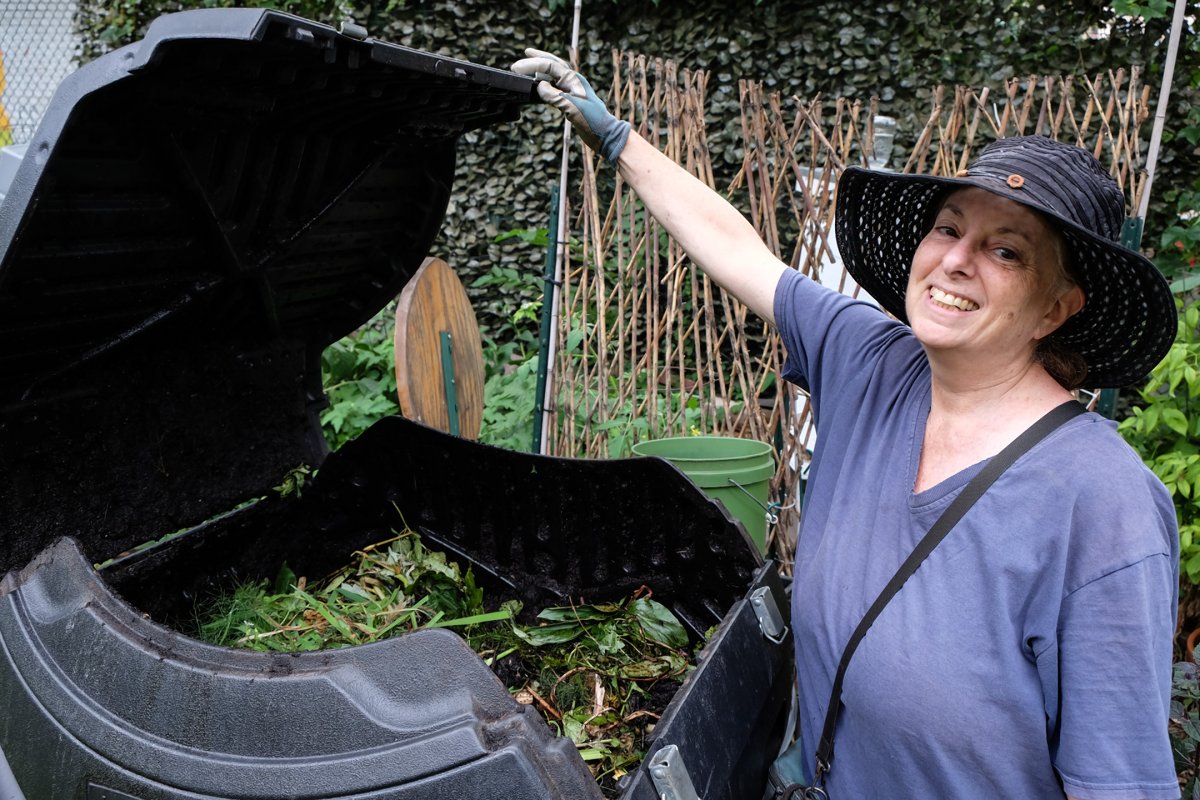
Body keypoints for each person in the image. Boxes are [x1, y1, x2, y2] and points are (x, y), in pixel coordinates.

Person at [512, 50, 1182, 799]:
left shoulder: (1102, 503)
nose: (956, 261)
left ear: (1056, 309)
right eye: (948, 227)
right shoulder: (872, 365)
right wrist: (616, 138)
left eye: (1006, 250)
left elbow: (1121, 782)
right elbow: (738, 251)